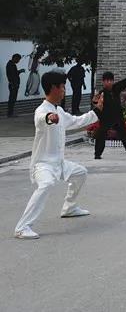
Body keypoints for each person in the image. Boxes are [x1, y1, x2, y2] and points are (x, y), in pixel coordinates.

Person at [13, 71, 104, 239]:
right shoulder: (42, 110)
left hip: (59, 163)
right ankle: (22, 227)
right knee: (46, 184)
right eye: (62, 87)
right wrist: (50, 118)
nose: (64, 91)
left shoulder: (60, 111)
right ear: (53, 88)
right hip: (43, 164)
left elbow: (77, 121)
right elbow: (42, 119)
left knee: (81, 173)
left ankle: (69, 207)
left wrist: (96, 111)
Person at [94, 71, 126, 158]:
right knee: (101, 135)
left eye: (111, 80)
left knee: (123, 134)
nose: (109, 82)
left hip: (117, 116)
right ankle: (97, 154)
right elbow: (96, 104)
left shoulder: (116, 88)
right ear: (103, 82)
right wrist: (95, 101)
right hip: (106, 118)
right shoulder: (101, 93)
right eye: (107, 81)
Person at [5, 53, 25, 117]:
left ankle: (10, 113)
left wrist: (19, 71)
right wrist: (14, 84)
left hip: (14, 84)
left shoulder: (12, 64)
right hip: (13, 85)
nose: (18, 61)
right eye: (18, 59)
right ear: (14, 58)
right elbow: (12, 75)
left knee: (12, 99)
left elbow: (14, 74)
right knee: (12, 99)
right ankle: (10, 113)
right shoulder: (10, 65)